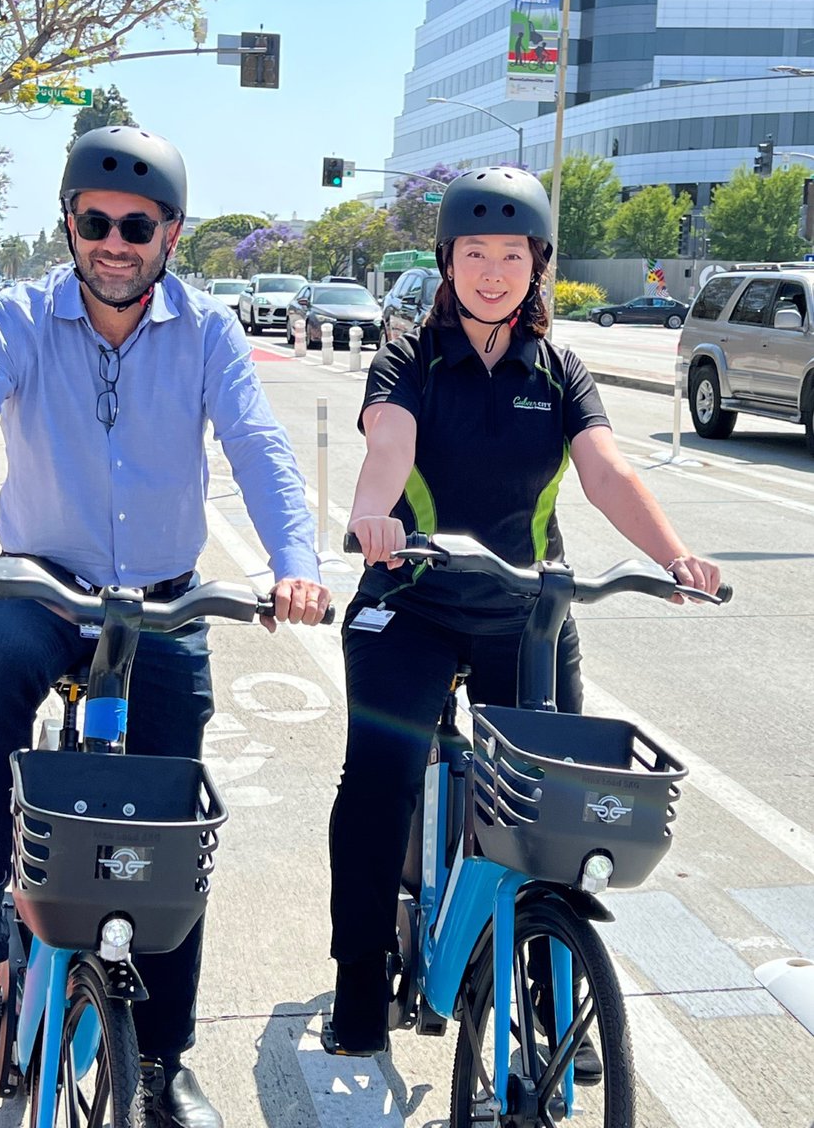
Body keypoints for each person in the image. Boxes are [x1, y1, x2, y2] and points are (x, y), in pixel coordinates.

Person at [0, 126, 330, 1128]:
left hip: (162, 604)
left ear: (171, 234)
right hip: (42, 588)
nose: (113, 241)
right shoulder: (17, 318)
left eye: (135, 226)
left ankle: (163, 1061)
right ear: (69, 223)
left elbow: (260, 447)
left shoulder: (210, 331)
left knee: (168, 843)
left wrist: (296, 566)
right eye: (94, 222)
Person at [322, 166, 720, 1059]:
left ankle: (551, 989)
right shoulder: (407, 357)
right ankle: (357, 980)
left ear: (538, 264)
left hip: (527, 613)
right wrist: (372, 518)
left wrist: (673, 556)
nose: (492, 272)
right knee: (379, 782)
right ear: (447, 261)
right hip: (412, 600)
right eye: (475, 253)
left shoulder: (562, 369)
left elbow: (607, 472)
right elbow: (389, 444)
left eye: (512, 254)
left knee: (558, 808)